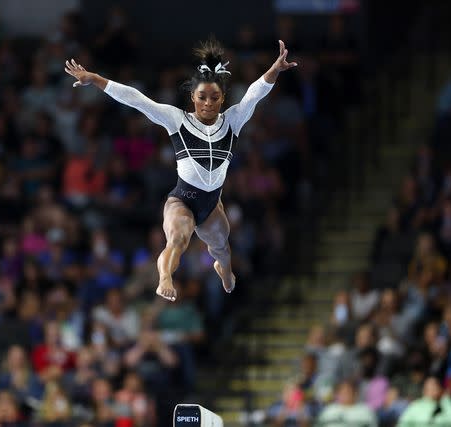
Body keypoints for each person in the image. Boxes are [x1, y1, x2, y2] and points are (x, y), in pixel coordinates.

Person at [65, 37, 298, 301]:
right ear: (192, 97)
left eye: (214, 97)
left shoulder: (233, 120)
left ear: (223, 98)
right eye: (202, 97)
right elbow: (137, 100)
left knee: (222, 248)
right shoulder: (177, 120)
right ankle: (165, 277)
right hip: (182, 200)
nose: (208, 103)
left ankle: (224, 269)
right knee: (177, 239)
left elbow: (254, 93)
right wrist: (95, 78)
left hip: (211, 203)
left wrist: (275, 69)